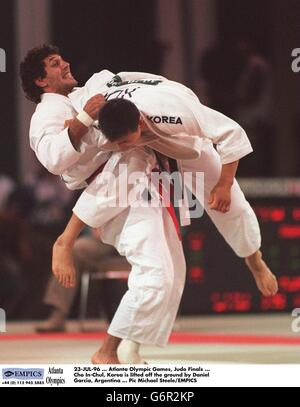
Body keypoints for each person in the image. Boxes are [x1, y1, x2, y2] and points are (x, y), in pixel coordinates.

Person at [20, 45, 189, 363]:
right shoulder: (48, 110)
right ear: (41, 81)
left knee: (172, 271)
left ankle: (129, 348)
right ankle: (108, 350)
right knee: (157, 272)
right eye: (55, 64)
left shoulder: (88, 89)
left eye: (62, 59)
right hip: (113, 189)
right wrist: (86, 116)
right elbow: (53, 158)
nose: (65, 64)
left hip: (140, 179)